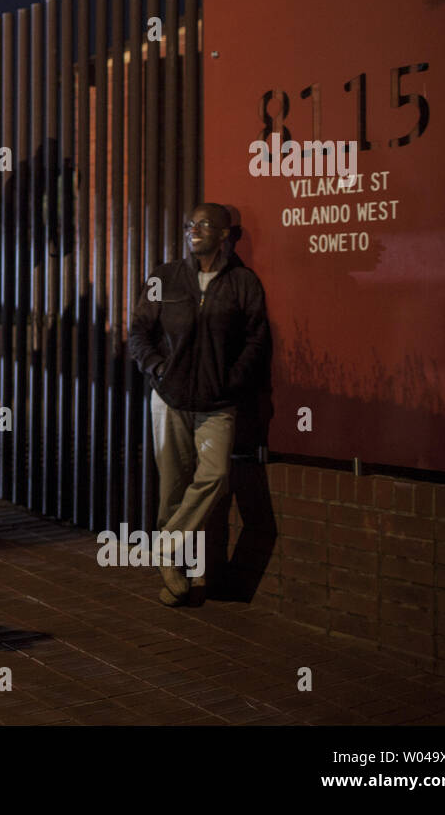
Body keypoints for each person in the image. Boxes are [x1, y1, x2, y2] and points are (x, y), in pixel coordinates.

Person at [127, 203, 269, 607]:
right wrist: (157, 369)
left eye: (205, 224)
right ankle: (176, 574)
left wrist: (232, 380)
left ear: (225, 234)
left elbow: (257, 342)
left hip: (217, 402)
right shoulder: (164, 278)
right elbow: (138, 331)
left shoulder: (243, 283)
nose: (195, 230)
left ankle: (165, 547)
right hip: (168, 398)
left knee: (215, 475)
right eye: (191, 223)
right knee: (172, 487)